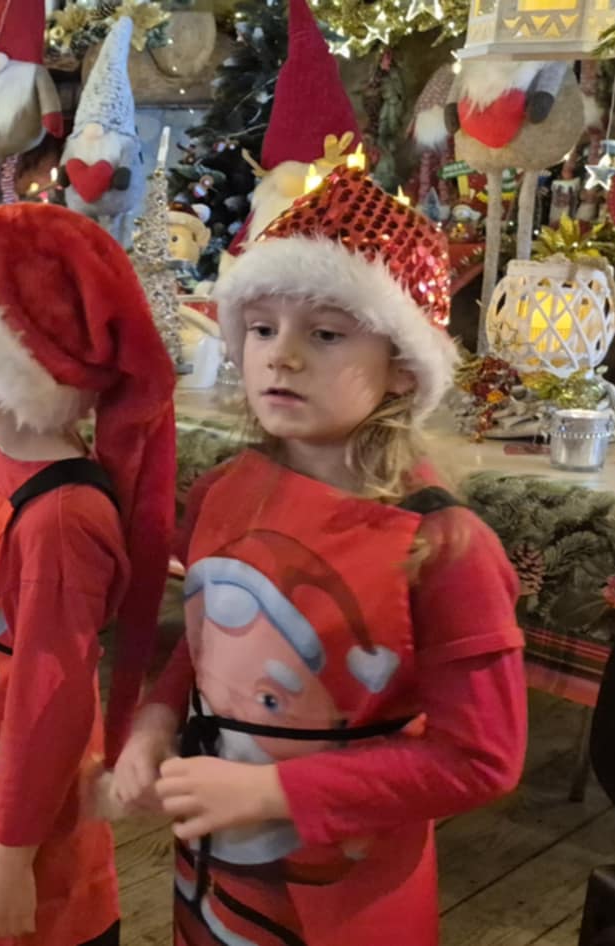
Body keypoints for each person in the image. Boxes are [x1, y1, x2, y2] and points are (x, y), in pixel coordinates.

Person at [109, 167, 527, 946]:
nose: (282, 357)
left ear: (403, 366)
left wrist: (275, 792)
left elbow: (482, 757)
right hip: (217, 861)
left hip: (346, 886)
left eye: (326, 334)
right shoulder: (227, 490)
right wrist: (157, 719)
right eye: (262, 328)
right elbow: (209, 638)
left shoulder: (443, 545)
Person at [0, 203, 176, 946]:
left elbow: (50, 704)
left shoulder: (59, 517)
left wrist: (14, 856)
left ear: (13, 348)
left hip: (23, 819)